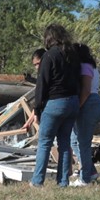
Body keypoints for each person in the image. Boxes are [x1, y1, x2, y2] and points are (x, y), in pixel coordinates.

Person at [30, 24, 80, 187]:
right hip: (73, 102)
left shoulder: (49, 56)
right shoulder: (73, 55)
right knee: (64, 142)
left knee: (45, 142)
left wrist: (37, 108)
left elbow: (42, 84)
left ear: (49, 38)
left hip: (55, 103)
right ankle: (63, 181)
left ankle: (37, 181)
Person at [70, 44, 100, 186]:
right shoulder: (92, 67)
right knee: (74, 141)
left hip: (89, 104)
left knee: (83, 143)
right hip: (92, 103)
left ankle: (85, 179)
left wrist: (77, 107)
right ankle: (91, 171)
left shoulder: (85, 67)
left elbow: (86, 90)